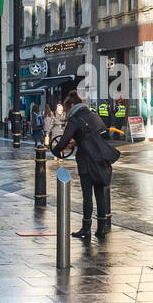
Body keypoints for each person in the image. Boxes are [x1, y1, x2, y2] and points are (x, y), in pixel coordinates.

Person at [50, 90, 119, 239]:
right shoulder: (93, 115)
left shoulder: (75, 120)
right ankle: (101, 228)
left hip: (86, 162)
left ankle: (86, 228)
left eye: (67, 109)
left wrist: (55, 151)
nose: (67, 112)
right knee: (100, 193)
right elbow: (104, 134)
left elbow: (62, 141)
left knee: (87, 195)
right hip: (101, 159)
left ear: (72, 105)